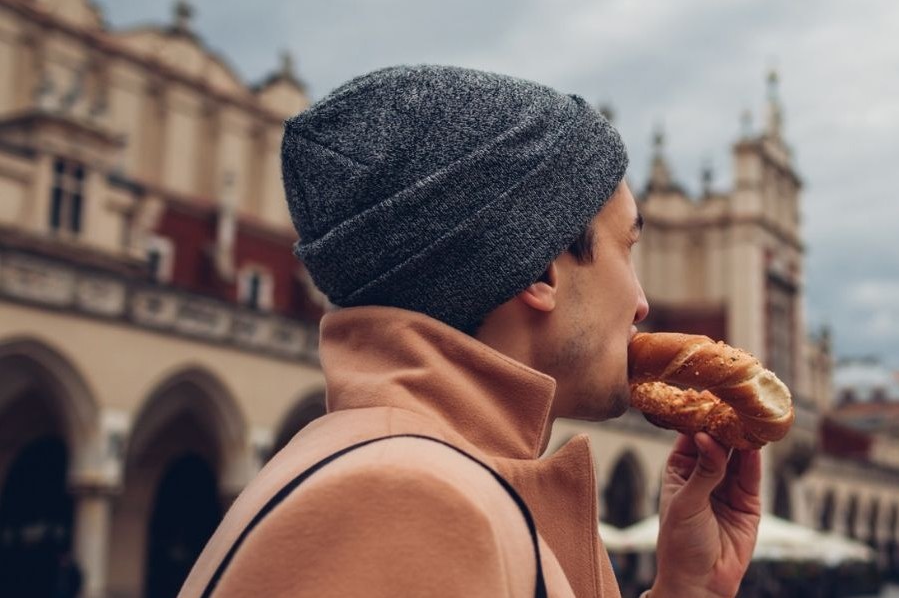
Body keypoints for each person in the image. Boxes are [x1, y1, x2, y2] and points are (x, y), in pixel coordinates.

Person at [178, 65, 762, 597]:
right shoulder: (407, 499)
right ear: (540, 270)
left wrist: (688, 591)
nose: (641, 304)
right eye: (626, 248)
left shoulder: (423, 471)